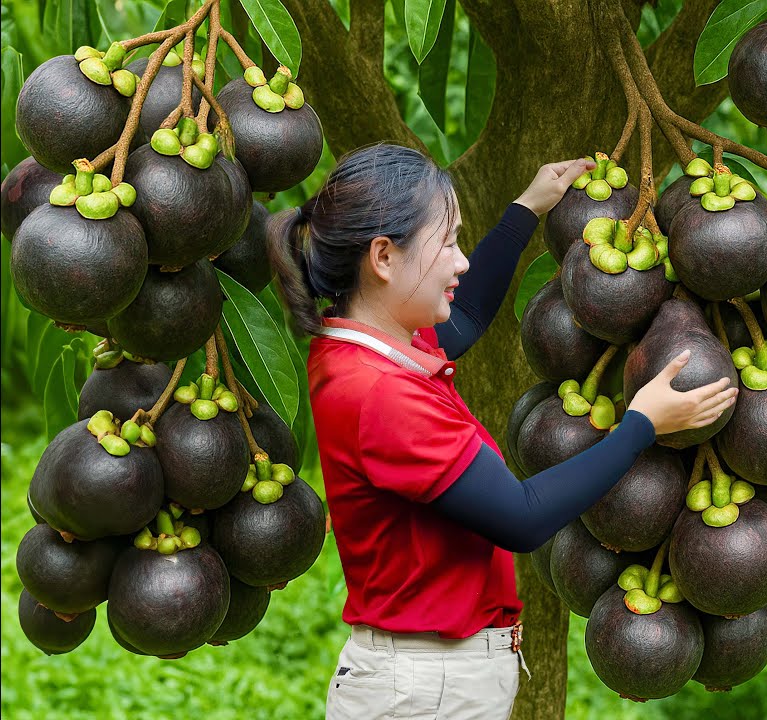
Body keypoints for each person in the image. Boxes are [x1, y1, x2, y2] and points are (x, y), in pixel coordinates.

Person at [266, 143, 738, 720]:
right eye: (447, 243)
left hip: (429, 681)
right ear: (384, 257)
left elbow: (465, 317)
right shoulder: (380, 395)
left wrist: (527, 209)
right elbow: (522, 516)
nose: (460, 261)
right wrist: (641, 425)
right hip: (422, 694)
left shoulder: (370, 350)